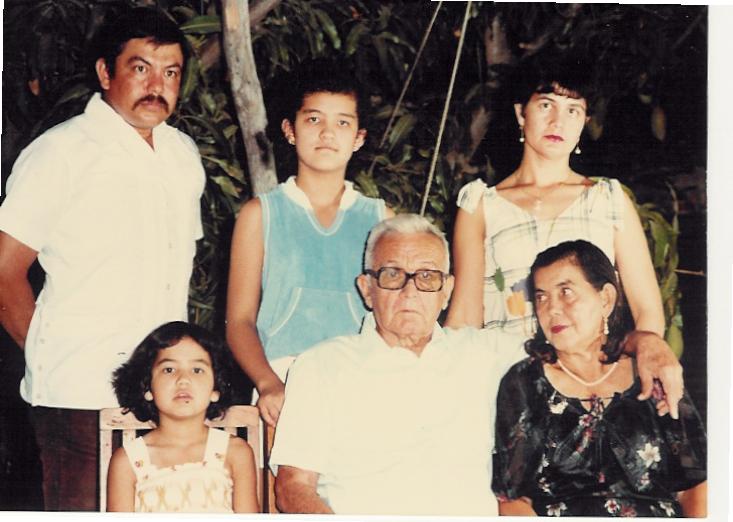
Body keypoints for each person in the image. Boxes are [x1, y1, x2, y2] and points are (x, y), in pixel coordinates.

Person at [269, 214, 685, 516]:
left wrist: (643, 341)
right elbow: (293, 488)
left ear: (448, 290)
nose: (410, 291)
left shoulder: (487, 355)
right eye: (393, 275)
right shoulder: (322, 366)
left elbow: (575, 343)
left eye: (428, 277)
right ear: (367, 289)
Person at [0, 8, 204, 510]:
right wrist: (50, 351)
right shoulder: (62, 152)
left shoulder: (183, 155)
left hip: (164, 399)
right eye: (140, 68)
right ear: (105, 73)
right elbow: (4, 270)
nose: (157, 85)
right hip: (80, 395)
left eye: (171, 72)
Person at [446, 56, 664, 343]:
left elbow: (648, 312)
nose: (557, 121)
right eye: (546, 105)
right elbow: (464, 317)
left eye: (573, 110)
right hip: (508, 372)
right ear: (521, 114)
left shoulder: (608, 200)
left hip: (591, 374)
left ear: (584, 122)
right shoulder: (481, 206)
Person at [226, 59, 393, 427]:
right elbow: (238, 320)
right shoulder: (260, 215)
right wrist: (268, 383)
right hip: (284, 387)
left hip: (362, 386)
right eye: (314, 119)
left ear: (359, 138)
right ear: (290, 130)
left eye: (343, 123)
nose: (327, 134)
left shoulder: (382, 219)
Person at [492, 240, 706, 517]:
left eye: (566, 292)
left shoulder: (651, 373)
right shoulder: (524, 382)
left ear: (605, 298)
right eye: (542, 296)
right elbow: (513, 500)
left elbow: (695, 486)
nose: (552, 309)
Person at [107, 321, 258, 513]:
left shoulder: (236, 452)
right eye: (169, 369)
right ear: (147, 388)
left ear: (216, 389)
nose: (183, 380)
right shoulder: (128, 461)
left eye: (197, 370)